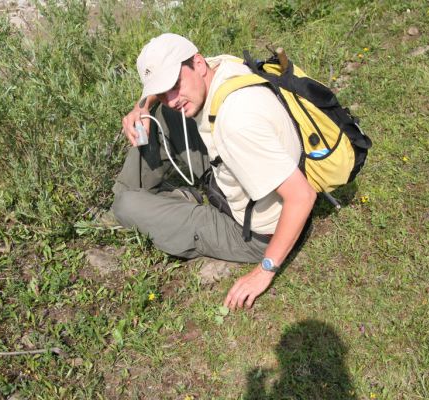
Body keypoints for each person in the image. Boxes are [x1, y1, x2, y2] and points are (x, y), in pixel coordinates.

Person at [112, 33, 316, 310]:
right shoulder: (224, 66)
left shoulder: (237, 123)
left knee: (125, 205)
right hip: (246, 175)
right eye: (162, 90)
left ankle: (146, 201)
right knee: (159, 114)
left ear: (197, 64)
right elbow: (164, 93)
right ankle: (148, 197)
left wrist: (264, 269)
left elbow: (302, 196)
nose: (171, 98)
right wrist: (142, 106)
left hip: (256, 233)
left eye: (174, 84)